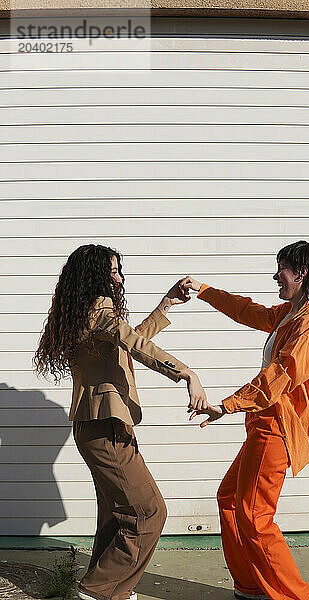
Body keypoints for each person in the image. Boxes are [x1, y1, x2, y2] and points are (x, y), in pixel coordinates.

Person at [34, 244, 207, 600]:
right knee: (149, 514)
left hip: (96, 426)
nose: (119, 277)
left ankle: (111, 591)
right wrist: (185, 373)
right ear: (94, 276)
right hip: (105, 426)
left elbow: (129, 340)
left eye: (119, 270)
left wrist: (166, 304)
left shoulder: (84, 311)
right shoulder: (99, 307)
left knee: (117, 518)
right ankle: (98, 590)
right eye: (112, 271)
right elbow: (136, 344)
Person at [180, 240, 309, 600]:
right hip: (263, 424)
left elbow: (279, 376)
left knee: (255, 515)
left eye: (281, 268)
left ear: (302, 272)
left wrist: (226, 405)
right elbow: (247, 311)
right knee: (231, 500)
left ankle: (297, 596)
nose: (275, 275)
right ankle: (251, 586)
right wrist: (205, 291)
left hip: (278, 429)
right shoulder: (290, 313)